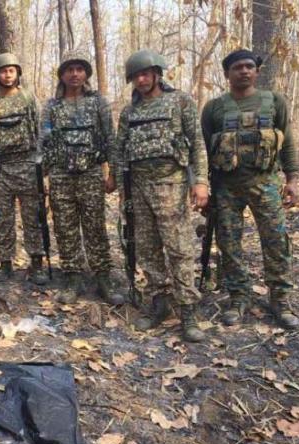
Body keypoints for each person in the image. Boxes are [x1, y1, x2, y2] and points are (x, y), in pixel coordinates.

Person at [201, 49, 299, 329]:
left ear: (256, 71)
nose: (243, 71)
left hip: (265, 183)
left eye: (248, 66)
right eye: (237, 67)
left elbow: (287, 142)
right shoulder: (214, 108)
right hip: (226, 187)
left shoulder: (274, 101)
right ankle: (238, 297)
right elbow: (204, 149)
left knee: (276, 241)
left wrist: (292, 179)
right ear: (227, 73)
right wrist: (203, 187)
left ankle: (280, 299)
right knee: (229, 244)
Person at [114, 50, 208, 342]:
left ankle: (188, 309)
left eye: (145, 74)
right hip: (138, 187)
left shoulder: (180, 101)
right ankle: (159, 301)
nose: (141, 80)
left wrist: (200, 182)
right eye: (136, 76)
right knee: (148, 248)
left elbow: (197, 144)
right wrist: (123, 191)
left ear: (157, 73)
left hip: (172, 184)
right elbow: (119, 152)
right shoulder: (129, 112)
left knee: (179, 248)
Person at [41, 50, 123, 305]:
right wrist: (43, 177)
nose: (74, 74)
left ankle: (103, 278)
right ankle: (73, 278)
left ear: (86, 73)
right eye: (69, 70)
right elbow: (43, 141)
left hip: (91, 174)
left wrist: (113, 175)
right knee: (65, 228)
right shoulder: (52, 106)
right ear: (62, 75)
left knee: (95, 227)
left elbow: (110, 139)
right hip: (60, 176)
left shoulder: (98, 103)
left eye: (79, 69)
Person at [0, 53, 47, 284]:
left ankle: (36, 262)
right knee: (3, 218)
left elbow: (40, 131)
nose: (7, 75)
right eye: (3, 71)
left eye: (11, 71)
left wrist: (42, 166)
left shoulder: (28, 97)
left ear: (17, 73)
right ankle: (5, 263)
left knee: (32, 217)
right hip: (1, 169)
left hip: (28, 165)